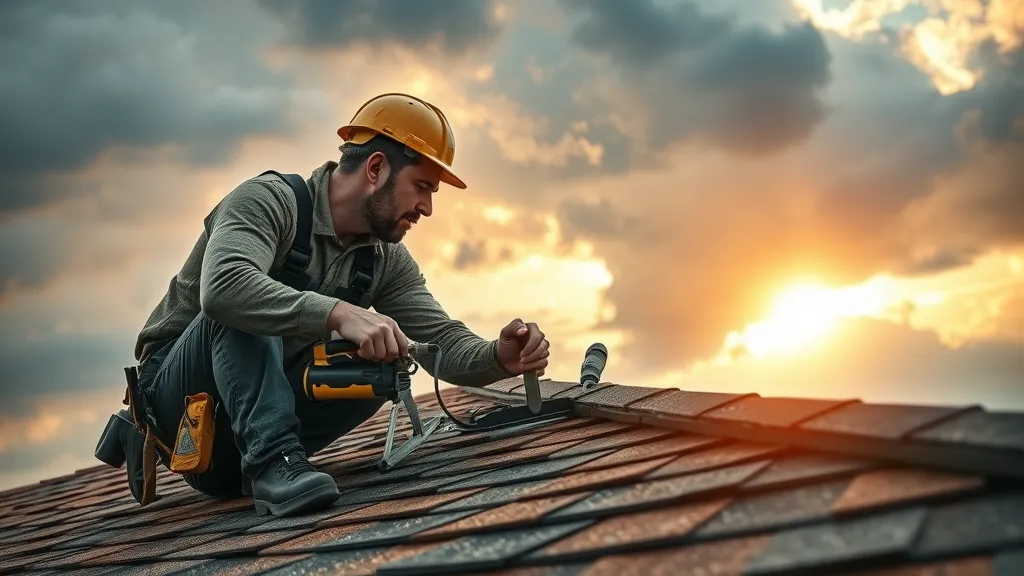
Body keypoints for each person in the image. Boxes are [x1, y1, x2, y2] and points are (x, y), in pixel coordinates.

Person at [94, 93, 550, 517]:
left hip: (230, 458)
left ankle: (270, 465)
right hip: (181, 408)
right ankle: (275, 463)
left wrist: (499, 356)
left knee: (385, 363)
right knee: (241, 302)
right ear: (375, 169)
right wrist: (339, 313)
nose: (428, 207)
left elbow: (440, 342)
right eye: (422, 187)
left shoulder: (383, 260)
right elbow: (223, 288)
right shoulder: (269, 201)